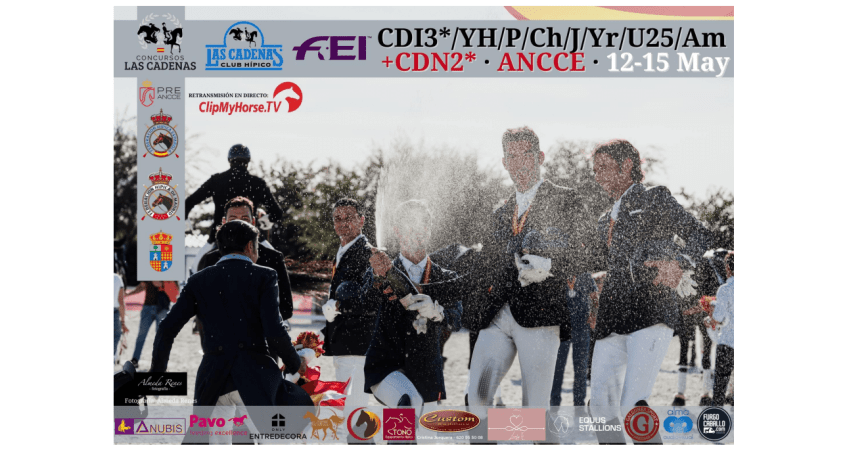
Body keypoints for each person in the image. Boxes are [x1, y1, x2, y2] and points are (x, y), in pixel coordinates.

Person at [588, 139, 712, 444]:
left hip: (651, 312)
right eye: (594, 169)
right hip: (611, 317)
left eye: (603, 167)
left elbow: (699, 234)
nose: (597, 175)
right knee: (600, 406)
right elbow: (604, 264)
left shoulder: (655, 198)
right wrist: (594, 287)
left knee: (633, 407)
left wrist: (680, 263)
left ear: (626, 166)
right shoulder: (604, 218)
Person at [465, 127, 596, 416]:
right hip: (498, 316)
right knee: (477, 398)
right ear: (504, 163)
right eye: (511, 157)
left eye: (526, 154)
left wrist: (550, 266)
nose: (519, 163)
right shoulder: (500, 212)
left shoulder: (566, 199)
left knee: (534, 412)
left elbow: (588, 252)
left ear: (540, 157)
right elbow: (483, 267)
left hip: (541, 317)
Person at [150, 220, 301, 444]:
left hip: (214, 378)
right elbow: (274, 330)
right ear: (249, 246)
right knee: (275, 442)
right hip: (255, 374)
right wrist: (295, 363)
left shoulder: (199, 280)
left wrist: (157, 373)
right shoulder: (265, 275)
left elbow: (166, 328)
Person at [364, 200, 463, 421]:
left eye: (420, 226)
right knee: (406, 405)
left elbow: (456, 320)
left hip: (427, 372)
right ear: (397, 231)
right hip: (387, 367)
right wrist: (376, 280)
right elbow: (365, 304)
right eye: (408, 226)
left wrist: (437, 312)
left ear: (429, 230)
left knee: (423, 433)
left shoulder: (447, 277)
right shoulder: (380, 272)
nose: (414, 232)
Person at [318, 198, 383, 425]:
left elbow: (372, 300)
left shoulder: (367, 253)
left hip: (359, 342)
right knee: (351, 411)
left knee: (355, 411)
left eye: (349, 218)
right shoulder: (343, 250)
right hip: (344, 341)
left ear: (362, 220)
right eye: (338, 218)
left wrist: (338, 307)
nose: (343, 223)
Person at [185, 144, 287, 273]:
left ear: (230, 160)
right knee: (277, 264)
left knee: (195, 270)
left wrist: (186, 223)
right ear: (248, 161)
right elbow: (277, 212)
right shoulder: (257, 183)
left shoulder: (216, 180)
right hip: (252, 235)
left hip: (218, 235)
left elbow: (189, 202)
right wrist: (264, 221)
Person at [197, 196, 294, 326]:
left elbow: (286, 307)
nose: (239, 224)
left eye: (245, 219)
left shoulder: (273, 258)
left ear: (253, 222)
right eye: (233, 219)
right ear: (224, 222)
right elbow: (202, 305)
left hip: (261, 336)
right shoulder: (210, 260)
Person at [550, 273, 596, 407]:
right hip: (561, 329)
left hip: (582, 328)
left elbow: (594, 296)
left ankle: (579, 404)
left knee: (581, 369)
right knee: (557, 368)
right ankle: (554, 403)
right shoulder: (558, 273)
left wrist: (593, 315)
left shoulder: (585, 275)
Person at [126, 280, 171, 369]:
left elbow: (174, 288)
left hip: (163, 308)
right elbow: (142, 285)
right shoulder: (149, 272)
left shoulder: (170, 272)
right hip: (148, 307)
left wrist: (163, 283)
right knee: (141, 335)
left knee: (161, 337)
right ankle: (135, 359)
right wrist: (129, 294)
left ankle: (160, 363)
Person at [710, 251, 734, 406]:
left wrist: (709, 318)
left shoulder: (725, 289)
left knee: (719, 390)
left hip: (727, 343)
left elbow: (719, 318)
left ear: (728, 267)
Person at [114, 273, 129, 363]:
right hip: (114, 312)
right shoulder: (117, 278)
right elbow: (121, 302)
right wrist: (123, 322)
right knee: (116, 336)